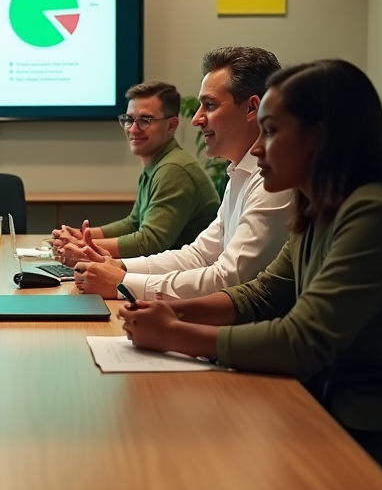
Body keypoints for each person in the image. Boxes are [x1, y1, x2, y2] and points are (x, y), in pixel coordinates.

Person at [119, 60, 382, 490]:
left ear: (318, 138)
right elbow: (261, 295)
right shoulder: (318, 207)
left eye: (271, 131)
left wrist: (174, 335)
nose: (260, 149)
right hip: (341, 398)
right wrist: (171, 311)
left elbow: (302, 341)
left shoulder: (372, 214)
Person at [70, 47, 292, 300]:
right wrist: (120, 267)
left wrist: (122, 282)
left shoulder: (274, 180)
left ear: (252, 108)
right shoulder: (239, 172)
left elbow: (230, 278)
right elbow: (199, 254)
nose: (197, 119)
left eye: (209, 105)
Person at [52, 81, 219, 260]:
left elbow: (149, 242)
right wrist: (82, 235)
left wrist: (82, 245)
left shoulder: (174, 170)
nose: (133, 128)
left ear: (171, 125)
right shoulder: (157, 164)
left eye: (145, 120)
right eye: (129, 119)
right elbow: (133, 223)